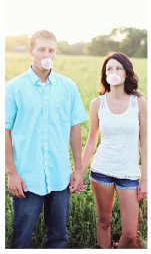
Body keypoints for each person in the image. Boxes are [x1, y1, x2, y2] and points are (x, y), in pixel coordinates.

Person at [5, 30, 88, 248]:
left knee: (59, 237)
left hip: (59, 176)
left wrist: (78, 169)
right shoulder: (13, 88)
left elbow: (75, 129)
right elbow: (5, 131)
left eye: (51, 50)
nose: (46, 54)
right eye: (41, 49)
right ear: (31, 51)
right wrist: (12, 173)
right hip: (26, 179)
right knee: (22, 238)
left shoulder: (68, 87)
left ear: (56, 52)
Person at [82, 52, 147, 249]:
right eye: (109, 68)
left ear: (126, 73)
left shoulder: (139, 102)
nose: (114, 72)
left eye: (118, 68)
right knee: (104, 222)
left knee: (129, 233)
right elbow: (92, 140)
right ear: (105, 74)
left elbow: (145, 140)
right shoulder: (97, 103)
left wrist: (144, 178)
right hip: (101, 170)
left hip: (129, 173)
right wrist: (80, 171)